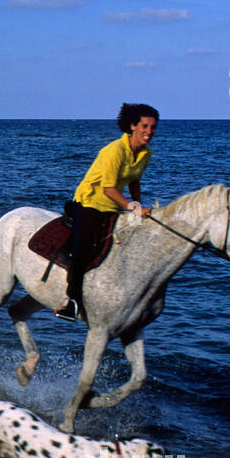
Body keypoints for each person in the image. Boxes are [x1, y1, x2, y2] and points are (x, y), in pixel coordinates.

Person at [55, 103, 158, 322]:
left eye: (153, 127)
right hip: (90, 203)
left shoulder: (146, 153)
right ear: (132, 126)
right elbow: (108, 189)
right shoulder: (114, 151)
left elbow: (134, 180)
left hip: (115, 206)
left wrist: (138, 205)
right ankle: (71, 301)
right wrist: (133, 207)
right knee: (81, 250)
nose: (149, 132)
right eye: (144, 126)